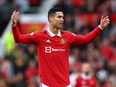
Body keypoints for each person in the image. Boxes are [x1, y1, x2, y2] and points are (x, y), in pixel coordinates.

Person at [11, 7, 110, 87]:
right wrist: (14, 25)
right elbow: (18, 39)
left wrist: (100, 27)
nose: (62, 19)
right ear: (51, 18)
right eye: (59, 17)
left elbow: (85, 39)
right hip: (47, 84)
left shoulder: (67, 36)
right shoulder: (39, 36)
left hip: (65, 84)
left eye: (62, 17)